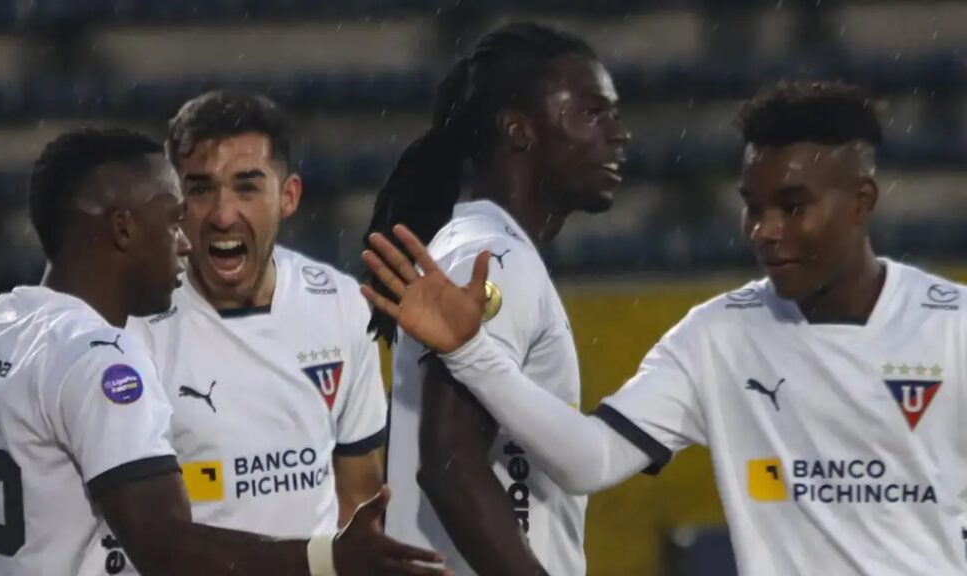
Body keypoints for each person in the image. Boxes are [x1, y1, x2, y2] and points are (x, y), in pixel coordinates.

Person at [362, 80, 967, 575]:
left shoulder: (953, 327)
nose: (764, 231)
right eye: (752, 207)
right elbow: (589, 461)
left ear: (862, 201)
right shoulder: (718, 336)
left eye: (792, 206)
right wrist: (472, 353)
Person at [0, 128, 446, 576]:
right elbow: (167, 548)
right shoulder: (99, 359)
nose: (185, 242)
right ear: (123, 229)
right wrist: (329, 559)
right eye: (172, 221)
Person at [362, 22, 628, 576]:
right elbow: (450, 462)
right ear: (519, 130)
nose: (618, 134)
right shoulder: (494, 259)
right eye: (592, 112)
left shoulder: (480, 246)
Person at [126, 90, 389, 541]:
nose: (224, 215)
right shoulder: (132, 329)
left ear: (288, 197)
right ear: (173, 200)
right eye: (200, 189)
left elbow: (359, 499)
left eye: (247, 186)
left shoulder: (341, 305)